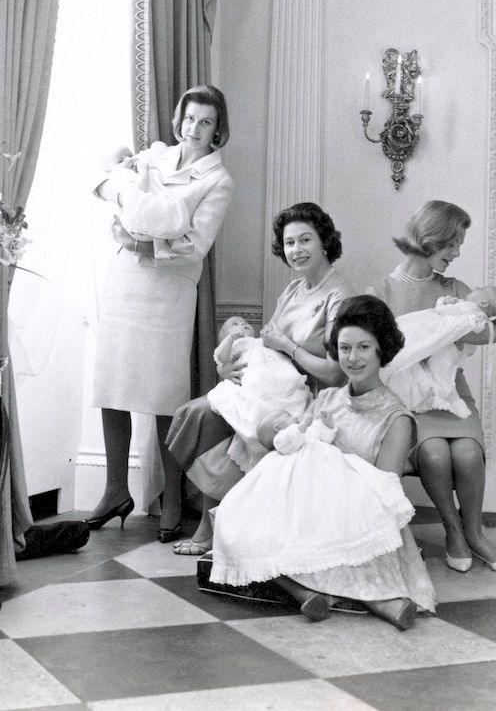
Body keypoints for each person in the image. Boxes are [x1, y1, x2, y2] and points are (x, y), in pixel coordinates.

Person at [212, 295, 435, 630]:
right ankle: (305, 592)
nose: (353, 358)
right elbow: (298, 449)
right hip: (313, 506)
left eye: (363, 347)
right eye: (345, 348)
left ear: (381, 350)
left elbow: (385, 494)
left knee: (300, 543)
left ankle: (373, 598)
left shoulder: (397, 418)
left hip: (363, 518)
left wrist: (329, 466)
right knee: (235, 521)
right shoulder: (328, 398)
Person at [88, 85, 233, 543]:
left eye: (205, 121)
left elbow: (195, 245)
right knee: (112, 387)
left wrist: (139, 241)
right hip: (125, 283)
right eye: (189, 119)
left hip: (169, 290)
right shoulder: (154, 157)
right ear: (179, 120)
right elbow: (106, 185)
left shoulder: (218, 181)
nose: (194, 128)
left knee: (165, 398)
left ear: (217, 129)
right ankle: (115, 490)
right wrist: (123, 192)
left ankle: (172, 498)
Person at [167, 201, 352, 555]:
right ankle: (216, 525)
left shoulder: (338, 295)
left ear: (325, 242)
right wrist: (228, 367)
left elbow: (335, 372)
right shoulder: (294, 289)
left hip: (308, 399)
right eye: (289, 243)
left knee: (210, 418)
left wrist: (288, 346)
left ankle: (216, 528)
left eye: (304, 240)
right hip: (271, 386)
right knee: (197, 413)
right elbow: (265, 346)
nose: (295, 250)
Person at [368, 200, 496, 574]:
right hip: (409, 398)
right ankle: (453, 532)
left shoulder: (455, 289)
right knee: (434, 454)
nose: (457, 252)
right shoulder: (381, 290)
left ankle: (475, 535)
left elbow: (492, 330)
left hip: (450, 393)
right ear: (429, 239)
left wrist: (450, 327)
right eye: (451, 244)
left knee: (467, 454)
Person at [384, 285, 496, 420]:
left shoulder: (470, 309)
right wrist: (446, 302)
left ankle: (428, 391)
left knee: (428, 362)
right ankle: (432, 390)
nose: (476, 288)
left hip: (445, 341)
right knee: (438, 370)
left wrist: (444, 303)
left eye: (480, 289)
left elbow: (443, 312)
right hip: (447, 346)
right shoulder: (474, 315)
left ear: (484, 302)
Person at [205, 314, 310, 471]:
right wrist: (232, 338)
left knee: (289, 385)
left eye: (244, 322)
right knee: (257, 389)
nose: (242, 324)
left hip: (279, 372)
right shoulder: (238, 344)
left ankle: (290, 420)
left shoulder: (262, 341)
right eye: (234, 324)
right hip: (257, 374)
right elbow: (221, 357)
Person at [95, 139, 196, 260]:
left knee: (160, 225)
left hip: (139, 223)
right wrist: (144, 172)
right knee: (159, 224)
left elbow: (156, 149)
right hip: (136, 224)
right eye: (120, 161)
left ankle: (168, 246)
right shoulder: (120, 175)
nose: (128, 159)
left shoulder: (133, 166)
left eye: (130, 154)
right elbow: (138, 192)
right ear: (109, 170)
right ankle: (170, 245)